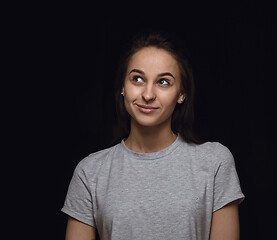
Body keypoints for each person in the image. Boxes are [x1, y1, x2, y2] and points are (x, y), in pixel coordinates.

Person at [61, 31, 245, 240]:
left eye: (163, 82)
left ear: (181, 94)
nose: (148, 95)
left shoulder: (215, 162)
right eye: (137, 79)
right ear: (123, 86)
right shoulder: (90, 172)